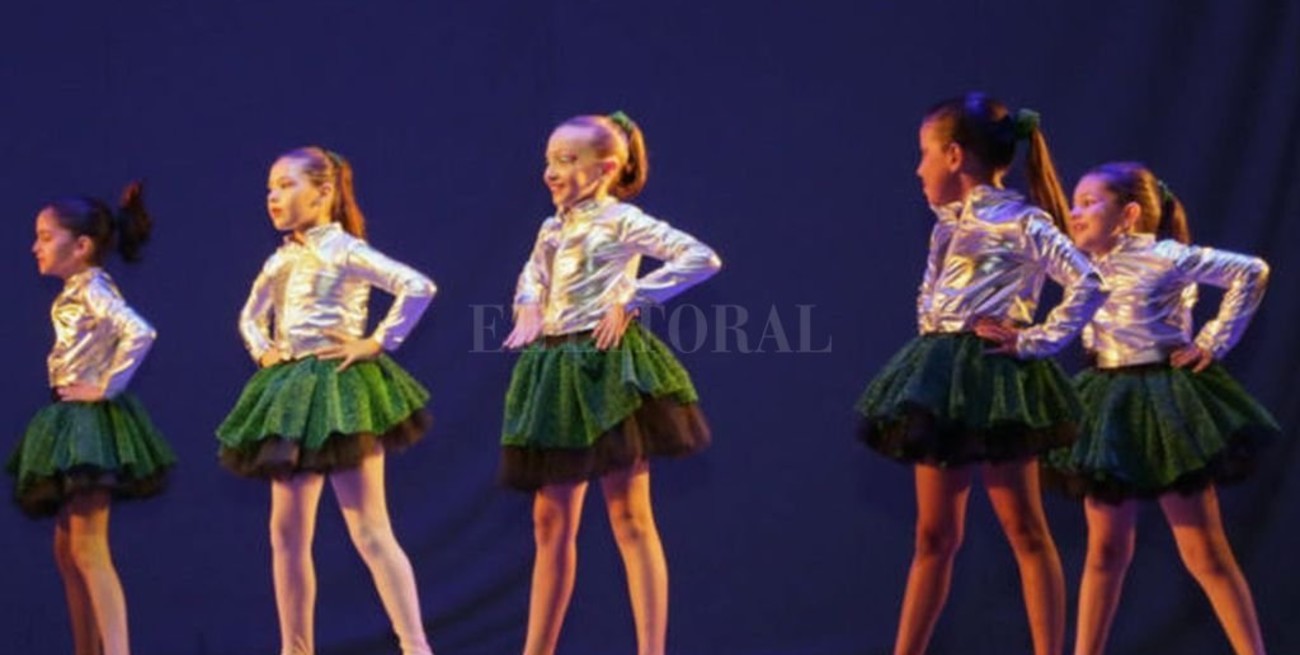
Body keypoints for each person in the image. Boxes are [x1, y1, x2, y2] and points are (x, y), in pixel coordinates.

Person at [856, 92, 1105, 655]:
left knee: (1024, 528)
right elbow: (930, 296)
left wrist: (1034, 338)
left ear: (953, 156)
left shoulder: (1020, 220)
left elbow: (1088, 281)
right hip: (944, 375)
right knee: (933, 534)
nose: (917, 169)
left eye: (924, 153)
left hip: (995, 378)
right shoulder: (946, 225)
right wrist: (934, 338)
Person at [500, 111, 721, 655]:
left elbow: (701, 257)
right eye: (549, 160)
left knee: (629, 515)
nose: (551, 172)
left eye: (566, 161)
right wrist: (528, 302)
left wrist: (633, 297)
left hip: (605, 368)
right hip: (555, 368)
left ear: (605, 169)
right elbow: (533, 272)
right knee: (550, 520)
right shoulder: (552, 227)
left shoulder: (621, 219)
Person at [216, 147, 438, 655]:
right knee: (286, 533)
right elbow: (250, 316)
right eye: (270, 188)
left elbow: (417, 286)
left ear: (323, 192)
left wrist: (377, 342)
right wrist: (263, 350)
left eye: (286, 185)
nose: (273, 196)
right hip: (293, 394)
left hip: (340, 390)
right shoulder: (280, 259)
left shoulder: (344, 249)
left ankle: (415, 646)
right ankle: (296, 649)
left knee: (369, 528)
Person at [9, 182, 176, 655]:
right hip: (69, 418)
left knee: (88, 548)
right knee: (67, 550)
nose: (35, 246)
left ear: (81, 246)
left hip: (89, 425)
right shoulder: (75, 291)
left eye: (46, 236)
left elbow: (139, 331)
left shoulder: (93, 287)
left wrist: (106, 386)